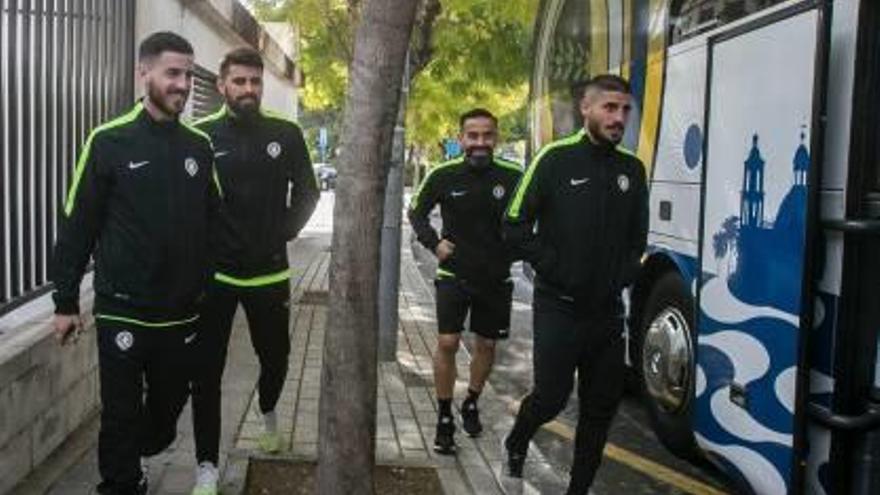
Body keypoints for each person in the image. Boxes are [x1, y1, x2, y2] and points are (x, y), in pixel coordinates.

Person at [51, 32, 221, 495]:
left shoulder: (198, 147)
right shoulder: (108, 141)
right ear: (142, 74)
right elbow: (77, 223)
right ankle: (123, 482)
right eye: (173, 73)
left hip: (181, 313)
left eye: (188, 74)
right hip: (122, 308)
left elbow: (214, 222)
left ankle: (142, 451)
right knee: (120, 414)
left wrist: (207, 285)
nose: (183, 84)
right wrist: (65, 301)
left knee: (165, 416)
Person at [500, 75, 648, 494]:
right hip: (559, 308)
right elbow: (513, 223)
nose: (619, 117)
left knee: (601, 410)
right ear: (586, 108)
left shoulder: (632, 170)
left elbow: (638, 239)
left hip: (606, 316)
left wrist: (624, 274)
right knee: (551, 399)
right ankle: (517, 439)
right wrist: (554, 267)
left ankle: (578, 490)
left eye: (625, 109)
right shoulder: (554, 159)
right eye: (610, 108)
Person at [189, 47, 319, 495]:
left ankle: (268, 411)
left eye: (255, 82)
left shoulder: (285, 133)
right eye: (239, 81)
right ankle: (206, 465)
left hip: (268, 273)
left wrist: (280, 233)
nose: (248, 89)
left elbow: (307, 192)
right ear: (221, 85)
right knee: (206, 372)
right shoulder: (199, 136)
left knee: (277, 359)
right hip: (216, 277)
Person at [408, 108, 522, 455]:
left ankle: (471, 401)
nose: (480, 143)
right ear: (461, 140)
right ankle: (444, 416)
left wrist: (518, 249)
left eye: (487, 136)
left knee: (486, 346)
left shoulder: (514, 175)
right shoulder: (443, 175)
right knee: (447, 342)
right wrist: (434, 243)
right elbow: (416, 211)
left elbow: (533, 215)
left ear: (496, 139)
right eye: (472, 136)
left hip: (496, 278)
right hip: (453, 274)